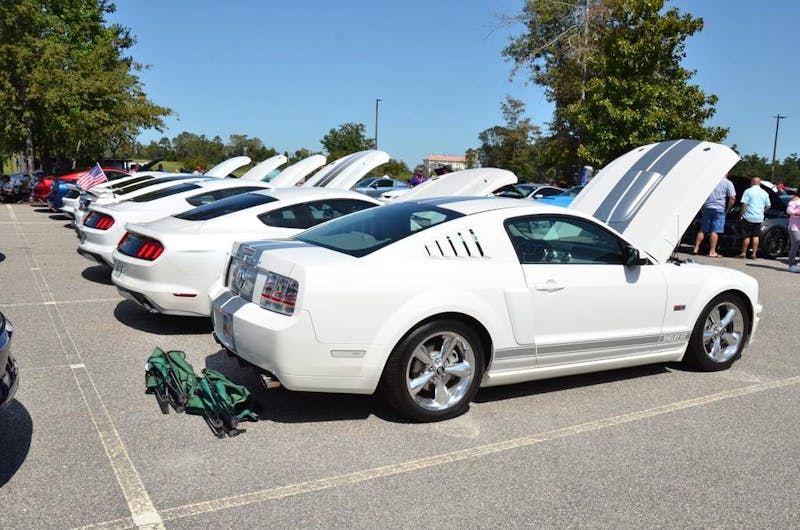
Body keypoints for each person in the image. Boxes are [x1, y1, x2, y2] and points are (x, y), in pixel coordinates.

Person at [693, 175, 736, 257]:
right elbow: (732, 197)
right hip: (719, 208)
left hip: (707, 207)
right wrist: (728, 209)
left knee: (702, 229)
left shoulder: (711, 180)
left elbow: (701, 193)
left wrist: (702, 207)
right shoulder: (728, 183)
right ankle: (712, 251)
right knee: (715, 230)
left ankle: (696, 248)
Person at [738, 176, 772, 259]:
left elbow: (744, 204)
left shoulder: (748, 191)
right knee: (756, 236)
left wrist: (741, 214)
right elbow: (768, 205)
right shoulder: (764, 192)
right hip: (759, 217)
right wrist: (762, 211)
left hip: (748, 216)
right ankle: (754, 254)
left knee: (746, 236)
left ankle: (743, 253)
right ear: (759, 183)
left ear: (752, 182)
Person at [787, 188, 800, 272]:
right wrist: (796, 213)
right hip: (794, 226)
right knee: (795, 244)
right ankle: (791, 264)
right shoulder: (795, 200)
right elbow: (788, 210)